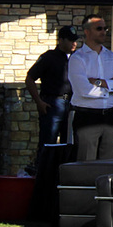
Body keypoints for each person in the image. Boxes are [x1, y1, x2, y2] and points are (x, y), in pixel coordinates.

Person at [66, 14, 113, 161]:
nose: (103, 32)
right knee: (85, 164)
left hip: (109, 116)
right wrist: (112, 87)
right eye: (99, 28)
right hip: (86, 116)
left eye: (105, 28)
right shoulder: (78, 58)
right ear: (87, 31)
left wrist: (101, 82)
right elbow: (84, 90)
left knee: (108, 164)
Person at [25, 24, 77, 170]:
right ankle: (43, 173)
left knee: (70, 143)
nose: (74, 43)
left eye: (75, 40)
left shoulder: (76, 58)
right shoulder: (49, 57)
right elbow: (30, 78)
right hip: (53, 103)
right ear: (61, 40)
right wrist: (39, 102)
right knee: (48, 143)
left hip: (71, 104)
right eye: (70, 40)